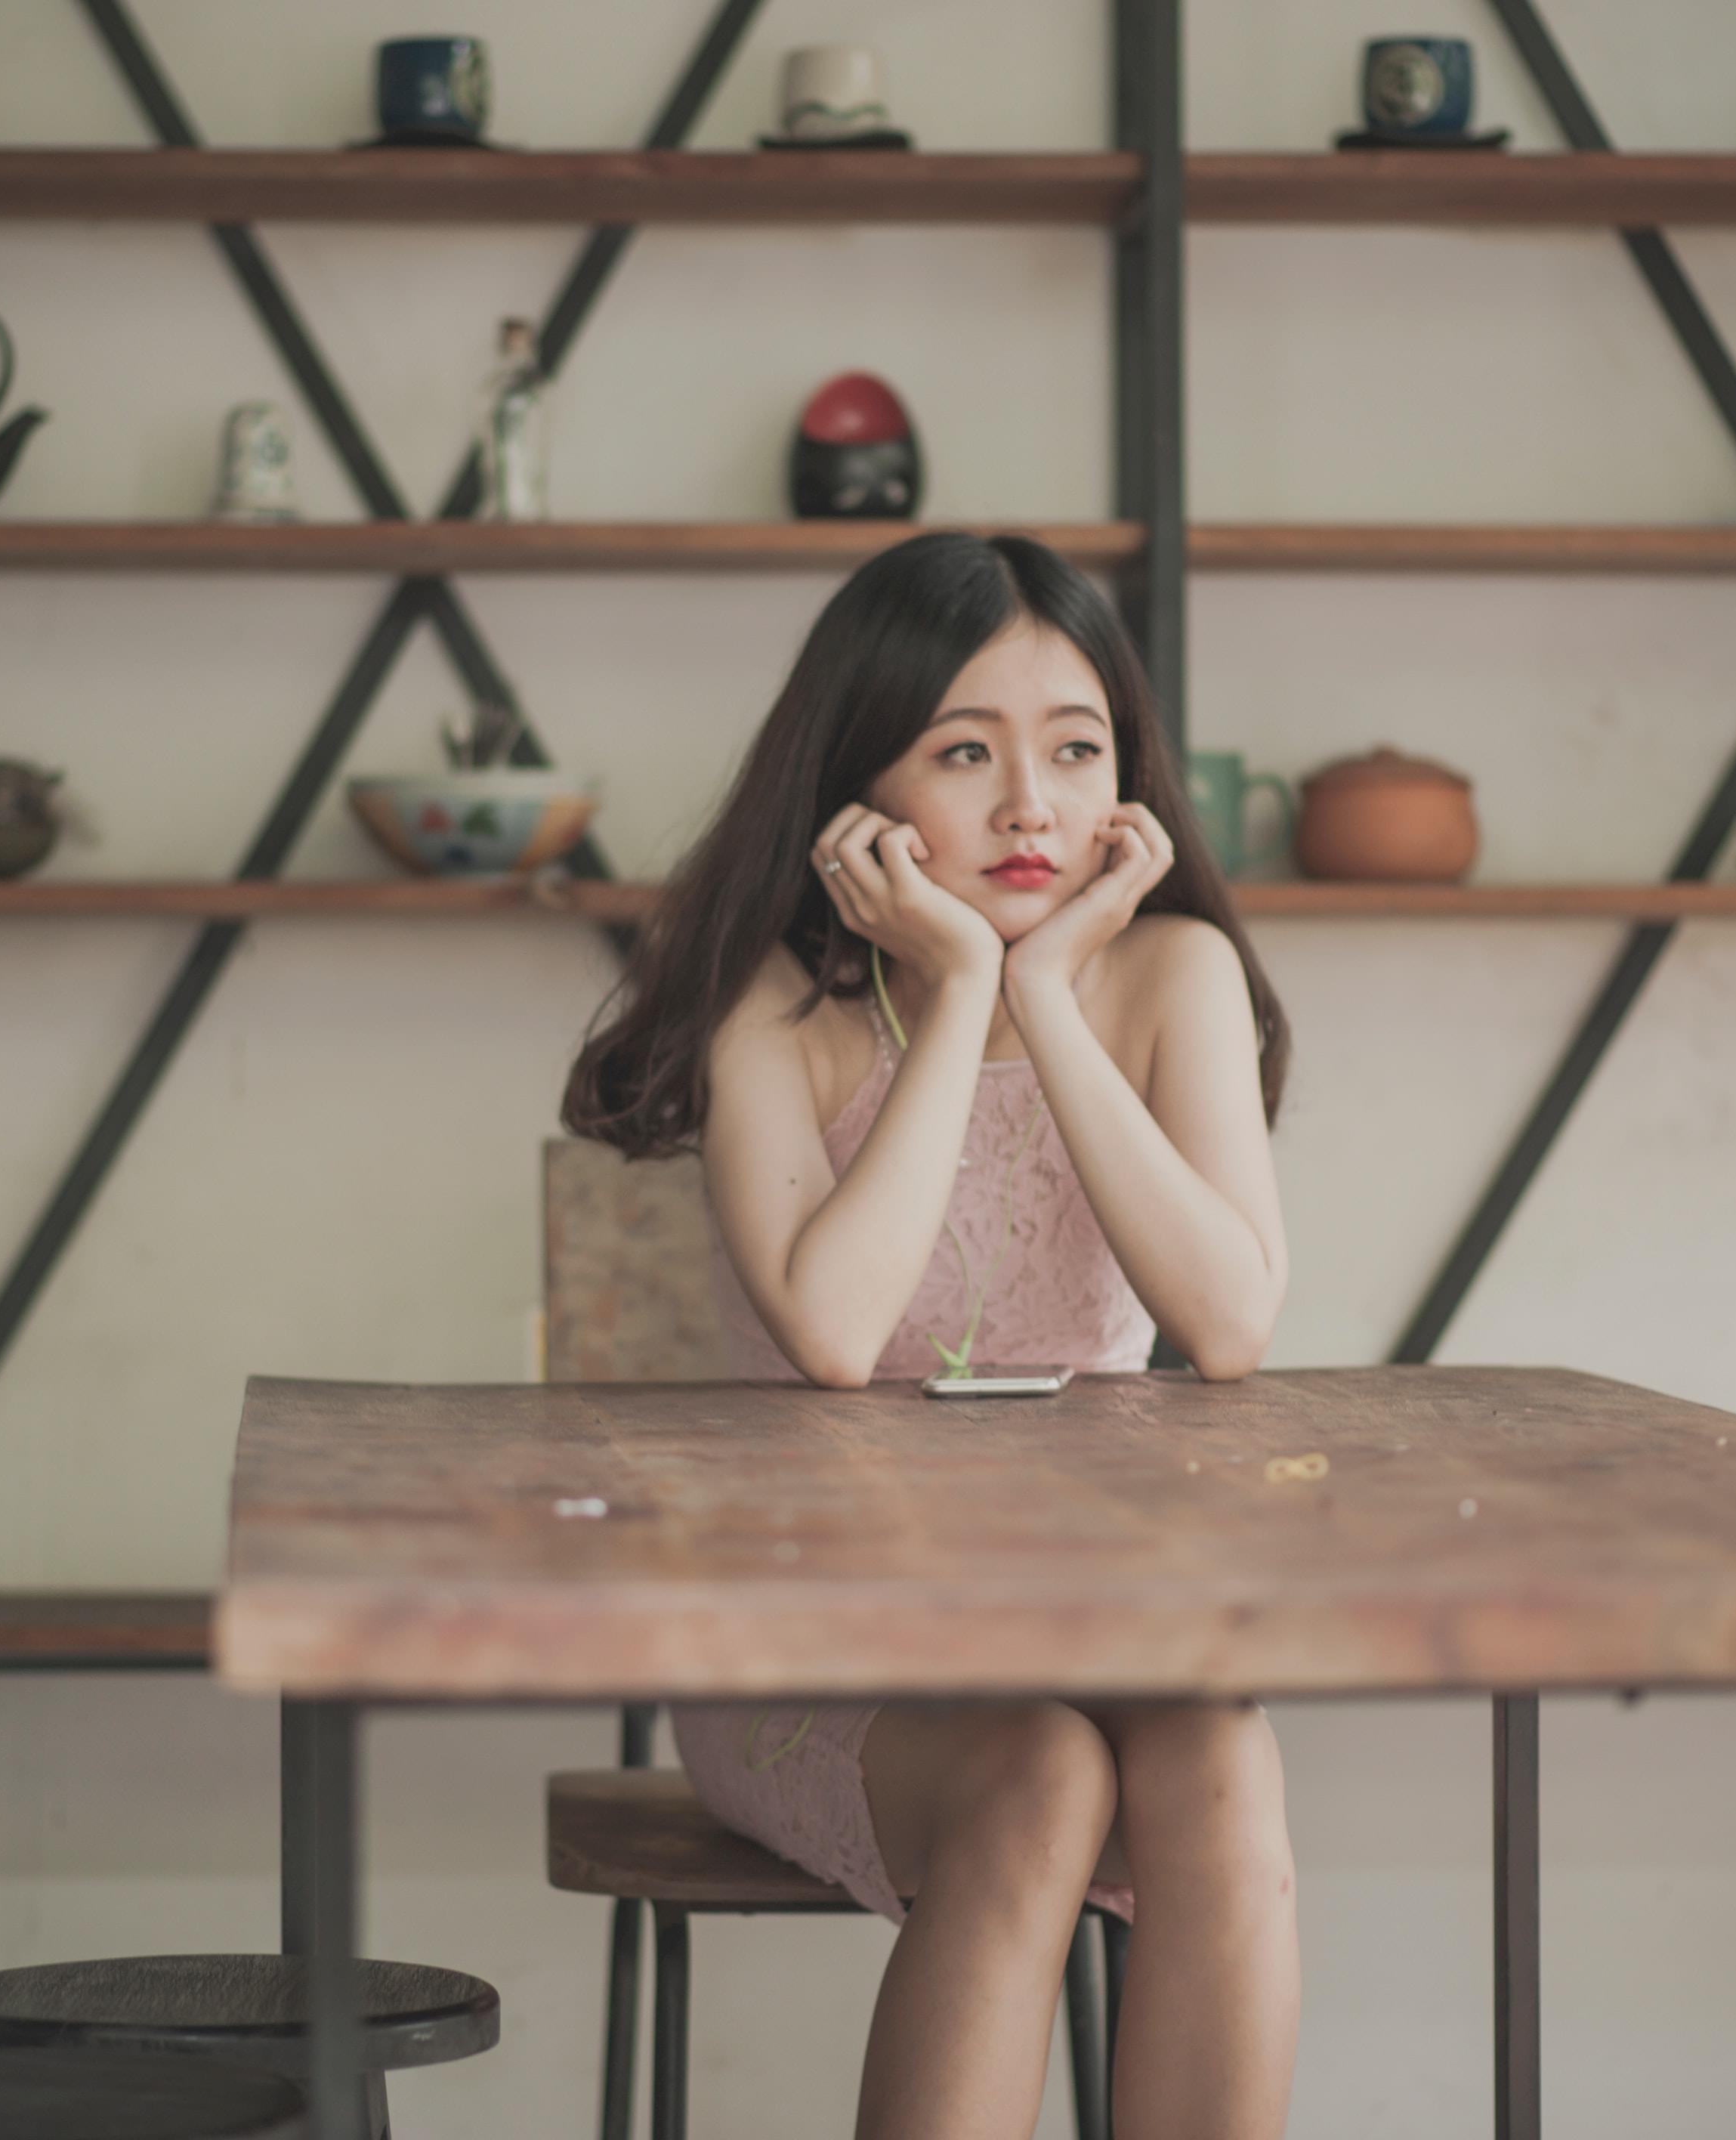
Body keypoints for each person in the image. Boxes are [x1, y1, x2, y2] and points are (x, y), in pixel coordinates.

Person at [563, 531, 1299, 2138]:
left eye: (1075, 750)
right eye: (965, 753)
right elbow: (836, 1331)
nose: (1031, 806)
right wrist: (963, 990)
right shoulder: (777, 1003)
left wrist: (1051, 997)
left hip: (1080, 1616)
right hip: (812, 1646)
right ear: (859, 790)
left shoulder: (1174, 976)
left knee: (1220, 1744)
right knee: (1038, 1775)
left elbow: (1232, 1319)